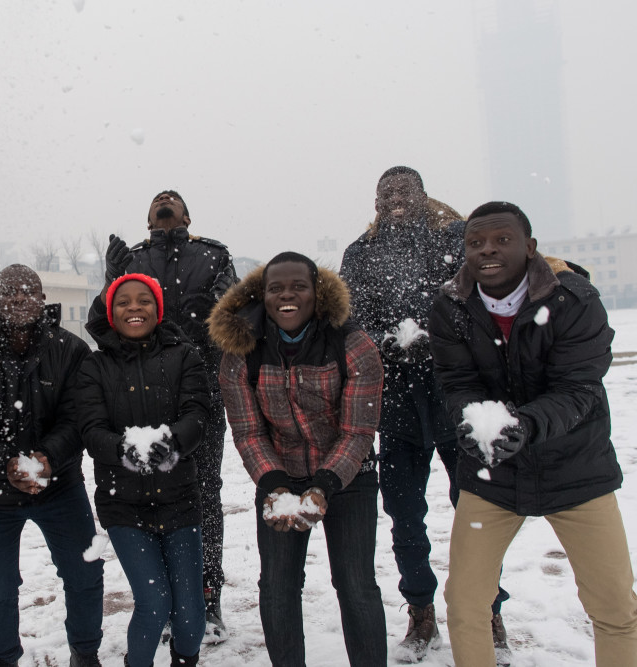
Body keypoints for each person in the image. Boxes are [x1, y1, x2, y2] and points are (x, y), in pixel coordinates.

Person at [428, 201, 637, 667]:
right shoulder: (451, 306)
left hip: (577, 469)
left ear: (530, 247)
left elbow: (578, 387)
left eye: (502, 240)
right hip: (492, 475)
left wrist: (527, 425)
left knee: (615, 609)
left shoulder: (574, 299)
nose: (488, 250)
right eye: (476, 242)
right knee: (465, 606)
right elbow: (457, 383)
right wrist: (469, 421)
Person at [339, 166, 510, 662]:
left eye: (404, 189)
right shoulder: (362, 253)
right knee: (404, 514)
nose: (396, 198)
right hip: (394, 403)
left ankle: (488, 607)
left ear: (422, 193)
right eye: (386, 191)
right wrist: (385, 341)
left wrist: (440, 338)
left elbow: (477, 299)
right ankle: (420, 606)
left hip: (457, 395)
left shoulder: (456, 239)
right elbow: (353, 314)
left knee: (476, 510)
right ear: (376, 200)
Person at [209, 252, 386, 666]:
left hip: (349, 473)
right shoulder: (241, 351)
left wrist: (325, 485)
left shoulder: (352, 343)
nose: (286, 296)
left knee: (355, 583)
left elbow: (358, 430)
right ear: (263, 295)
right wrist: (273, 485)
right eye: (275, 288)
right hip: (280, 475)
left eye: (298, 287)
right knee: (276, 586)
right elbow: (249, 430)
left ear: (316, 293)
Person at [99, 190, 236, 641]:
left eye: (173, 200)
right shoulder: (133, 259)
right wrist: (112, 277)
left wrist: (225, 305)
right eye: (158, 200)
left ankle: (205, 595)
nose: (165, 203)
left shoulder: (211, 255)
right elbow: (109, 322)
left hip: (200, 395)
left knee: (204, 494)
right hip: (142, 396)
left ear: (186, 215)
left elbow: (232, 320)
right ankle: (161, 596)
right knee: (149, 494)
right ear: (148, 218)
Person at [0, 264, 104, 667]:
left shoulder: (71, 348)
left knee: (84, 573)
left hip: (58, 485)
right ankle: (3, 659)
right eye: (8, 291)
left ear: (42, 299)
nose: (18, 297)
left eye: (28, 291)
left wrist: (45, 460)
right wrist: (6, 465)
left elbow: (79, 417)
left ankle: (86, 652)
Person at [77, 273, 209, 667]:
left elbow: (198, 413)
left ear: (158, 309)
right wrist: (121, 449)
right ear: (112, 313)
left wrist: (174, 441)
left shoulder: (185, 356)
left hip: (179, 500)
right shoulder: (94, 366)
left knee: (190, 613)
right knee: (154, 603)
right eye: (124, 302)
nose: (134, 307)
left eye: (144, 300)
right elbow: (90, 428)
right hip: (124, 506)